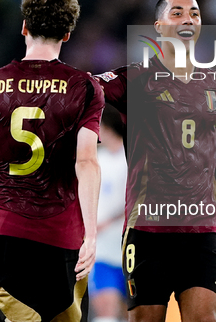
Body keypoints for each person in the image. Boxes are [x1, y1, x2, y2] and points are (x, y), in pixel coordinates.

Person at [0, 0, 104, 322]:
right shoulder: (84, 87)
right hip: (65, 237)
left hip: (7, 235)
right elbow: (87, 162)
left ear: (24, 28)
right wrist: (91, 235)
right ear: (67, 34)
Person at [95, 0, 216, 322]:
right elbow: (82, 91)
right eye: (177, 13)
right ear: (159, 27)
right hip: (148, 230)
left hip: (202, 229)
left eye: (194, 13)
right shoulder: (133, 79)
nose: (188, 19)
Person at [90, 108, 127, 322]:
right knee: (106, 311)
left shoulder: (132, 157)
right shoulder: (96, 159)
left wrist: (108, 221)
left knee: (134, 313)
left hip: (129, 249)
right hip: (102, 250)